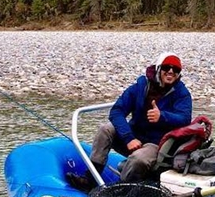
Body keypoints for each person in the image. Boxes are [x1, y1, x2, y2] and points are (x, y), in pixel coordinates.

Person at [82, 52, 193, 185]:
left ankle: (122, 188)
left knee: (138, 159)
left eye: (176, 69)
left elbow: (185, 119)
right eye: (166, 67)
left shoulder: (182, 94)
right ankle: (91, 178)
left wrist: (162, 116)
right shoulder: (140, 87)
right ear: (158, 68)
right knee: (105, 129)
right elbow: (117, 111)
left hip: (158, 144)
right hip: (134, 137)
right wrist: (129, 138)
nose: (170, 71)